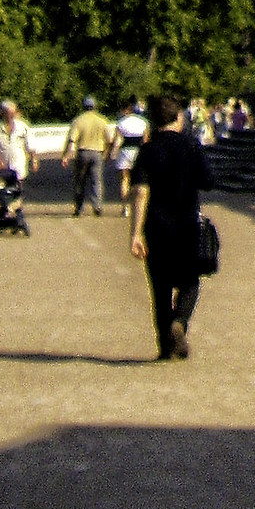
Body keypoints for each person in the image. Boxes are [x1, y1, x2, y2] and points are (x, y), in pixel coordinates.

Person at [129, 95, 213, 362]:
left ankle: (165, 345)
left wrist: (136, 232)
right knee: (190, 281)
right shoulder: (191, 146)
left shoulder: (147, 151)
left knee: (160, 288)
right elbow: (208, 180)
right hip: (187, 225)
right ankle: (180, 322)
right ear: (179, 118)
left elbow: (140, 193)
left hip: (156, 228)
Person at [63, 96, 115, 216]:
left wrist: (66, 156)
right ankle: (97, 205)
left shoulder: (78, 120)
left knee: (80, 181)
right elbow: (110, 140)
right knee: (96, 181)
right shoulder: (102, 120)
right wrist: (107, 153)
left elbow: (72, 140)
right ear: (95, 106)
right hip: (97, 153)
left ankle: (79, 208)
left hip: (82, 152)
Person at [0, 101, 37, 192]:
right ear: (2, 113)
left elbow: (30, 144)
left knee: (17, 188)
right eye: (8, 113)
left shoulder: (22, 127)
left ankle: (16, 204)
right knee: (0, 190)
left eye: (13, 113)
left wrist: (34, 160)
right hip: (2, 164)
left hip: (18, 163)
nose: (11, 116)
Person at [114, 98, 149, 212]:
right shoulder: (143, 122)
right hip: (138, 152)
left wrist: (113, 153)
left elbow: (118, 141)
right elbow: (145, 141)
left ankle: (125, 207)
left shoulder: (120, 123)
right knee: (140, 181)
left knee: (124, 180)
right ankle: (139, 205)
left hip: (125, 151)